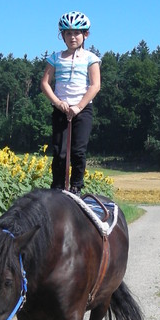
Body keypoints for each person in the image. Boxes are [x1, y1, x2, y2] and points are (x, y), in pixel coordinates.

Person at [40, 10, 101, 194]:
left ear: (85, 35)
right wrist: (58, 103)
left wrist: (78, 106)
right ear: (62, 36)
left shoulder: (91, 58)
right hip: (61, 109)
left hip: (82, 110)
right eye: (68, 33)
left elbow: (95, 85)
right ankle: (57, 188)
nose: (72, 37)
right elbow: (45, 83)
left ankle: (76, 187)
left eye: (77, 33)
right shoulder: (56, 58)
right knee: (60, 153)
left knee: (77, 152)